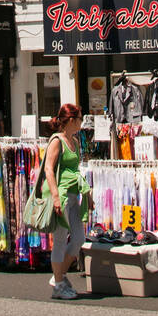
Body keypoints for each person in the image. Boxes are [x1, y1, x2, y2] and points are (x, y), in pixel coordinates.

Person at [43, 103, 91, 300]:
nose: (81, 122)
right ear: (71, 120)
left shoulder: (74, 141)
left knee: (79, 238)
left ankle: (59, 276)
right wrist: (55, 196)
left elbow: (76, 171)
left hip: (74, 195)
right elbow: (48, 169)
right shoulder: (57, 141)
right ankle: (59, 285)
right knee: (61, 241)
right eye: (80, 118)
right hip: (62, 196)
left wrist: (87, 195)